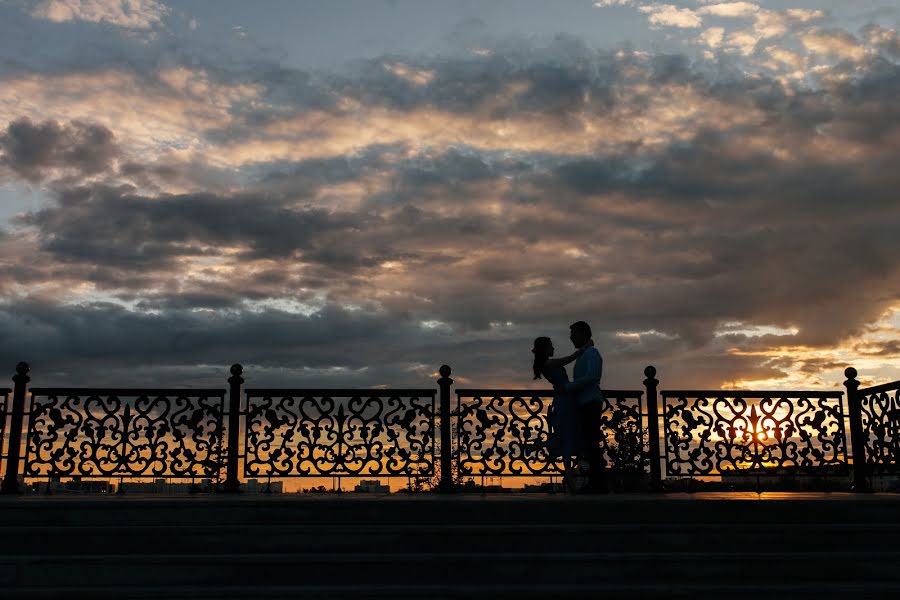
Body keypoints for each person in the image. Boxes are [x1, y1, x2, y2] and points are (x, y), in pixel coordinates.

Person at [532, 335, 592, 492]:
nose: (553, 348)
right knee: (567, 435)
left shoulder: (546, 363)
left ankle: (572, 481)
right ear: (545, 348)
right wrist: (585, 348)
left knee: (566, 436)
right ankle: (573, 479)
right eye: (551, 345)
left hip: (565, 398)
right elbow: (568, 359)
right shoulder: (549, 363)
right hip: (565, 400)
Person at [564, 320, 607, 493]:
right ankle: (595, 482)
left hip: (590, 402)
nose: (571, 338)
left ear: (583, 334)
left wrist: (569, 387)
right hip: (585, 403)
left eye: (573, 334)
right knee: (588, 443)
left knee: (591, 443)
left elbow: (592, 376)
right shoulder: (585, 354)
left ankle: (597, 483)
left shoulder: (592, 353)